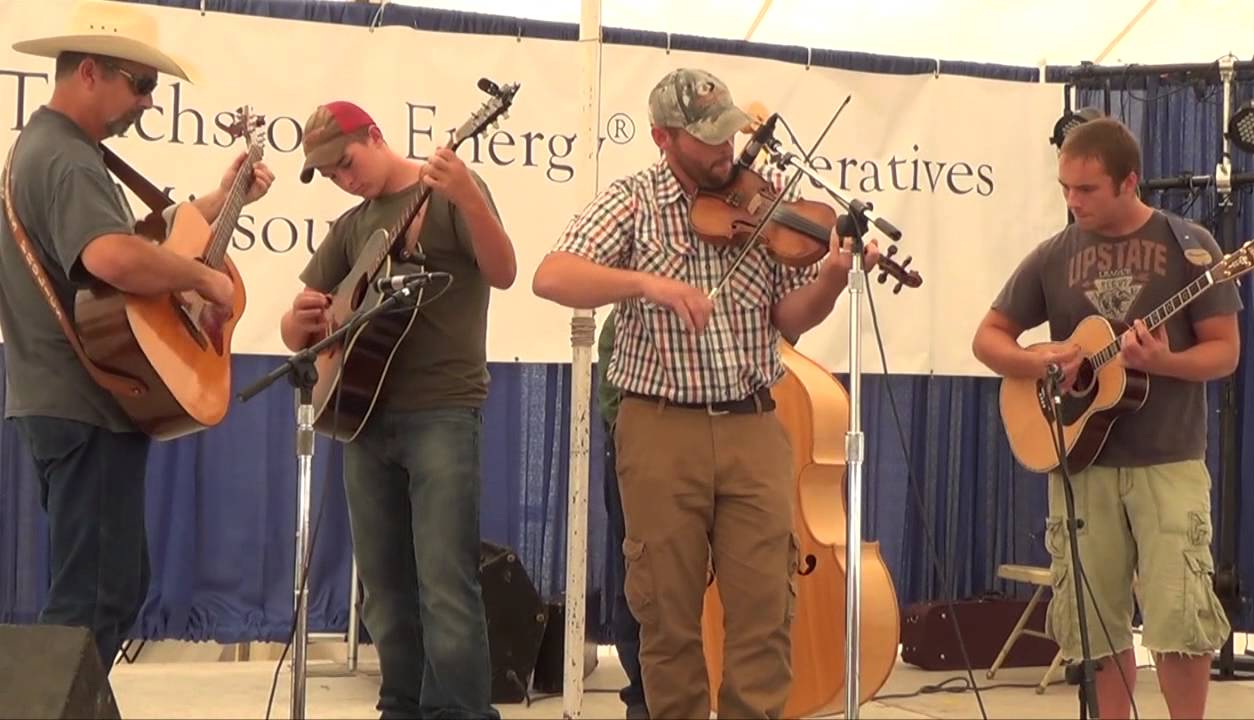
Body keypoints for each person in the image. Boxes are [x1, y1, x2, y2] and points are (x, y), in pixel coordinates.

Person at [532, 68, 880, 719]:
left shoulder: (764, 201)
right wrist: (646, 284)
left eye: (729, 135)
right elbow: (552, 277)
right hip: (660, 428)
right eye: (707, 140)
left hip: (753, 424)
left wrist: (832, 277)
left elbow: (790, 319)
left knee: (765, 609)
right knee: (666, 614)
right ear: (664, 138)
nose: (726, 152)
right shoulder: (633, 201)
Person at [0, 1, 274, 675]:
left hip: (74, 399)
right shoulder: (65, 158)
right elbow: (112, 258)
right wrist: (201, 281)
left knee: (103, 588)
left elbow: (144, 241)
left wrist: (220, 201)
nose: (148, 103)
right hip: (85, 398)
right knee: (94, 599)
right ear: (89, 71)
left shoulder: (58, 151)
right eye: (140, 84)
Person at [972, 117, 1238, 720]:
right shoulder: (1051, 256)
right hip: (1079, 465)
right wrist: (1041, 357)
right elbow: (988, 340)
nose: (1072, 201)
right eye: (1065, 188)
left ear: (1129, 182)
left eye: (1086, 190)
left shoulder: (1189, 244)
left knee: (1180, 616)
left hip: (1168, 462)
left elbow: (1225, 353)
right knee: (1094, 624)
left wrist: (1164, 361)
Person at [279, 100, 515, 720]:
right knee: (384, 589)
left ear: (376, 137)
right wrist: (298, 319)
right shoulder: (354, 225)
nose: (343, 179)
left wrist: (469, 198)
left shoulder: (447, 192)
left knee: (445, 584)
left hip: (442, 408)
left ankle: (461, 711)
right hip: (362, 417)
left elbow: (505, 270)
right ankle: (401, 705)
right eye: (329, 175)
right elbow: (299, 328)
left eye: (346, 163)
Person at [596, 308, 648, 720]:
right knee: (637, 571)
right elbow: (615, 412)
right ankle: (643, 697)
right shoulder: (623, 324)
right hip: (639, 454)